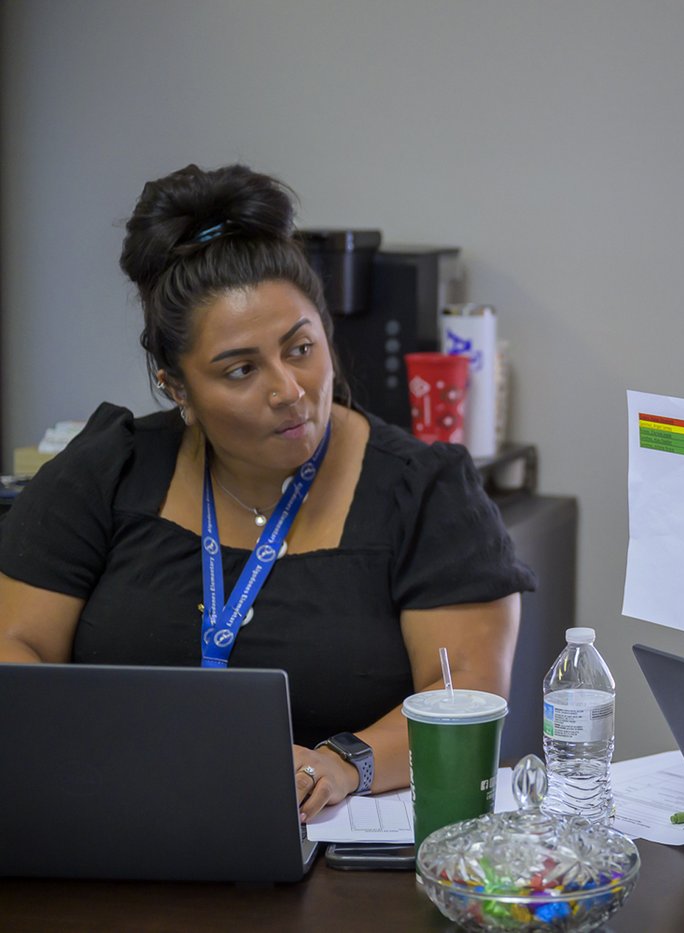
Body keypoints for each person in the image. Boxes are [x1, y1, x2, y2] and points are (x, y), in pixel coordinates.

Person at [0, 163, 534, 821]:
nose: (288, 388)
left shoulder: (426, 493)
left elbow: (466, 697)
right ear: (177, 387)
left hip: (330, 858)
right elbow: (13, 647)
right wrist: (95, 752)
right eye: (241, 369)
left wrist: (341, 764)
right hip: (120, 827)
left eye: (300, 347)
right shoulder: (109, 470)